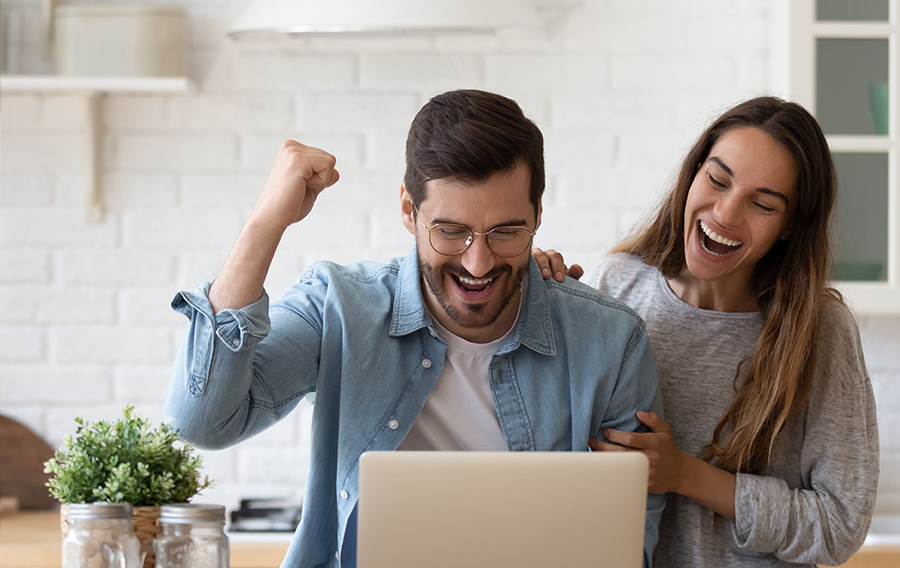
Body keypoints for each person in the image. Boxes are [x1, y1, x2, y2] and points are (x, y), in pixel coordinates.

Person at [164, 89, 664, 567]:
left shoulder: (610, 342)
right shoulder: (340, 308)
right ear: (409, 210)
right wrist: (265, 223)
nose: (478, 261)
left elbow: (626, 545)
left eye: (506, 231)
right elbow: (204, 421)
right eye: (451, 230)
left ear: (537, 214)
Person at [535, 96, 878, 567]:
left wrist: (685, 475)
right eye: (717, 180)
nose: (726, 214)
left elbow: (840, 525)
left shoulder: (820, 332)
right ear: (693, 174)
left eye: (762, 204)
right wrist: (534, 301)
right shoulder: (618, 285)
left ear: (791, 226)